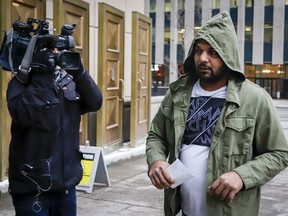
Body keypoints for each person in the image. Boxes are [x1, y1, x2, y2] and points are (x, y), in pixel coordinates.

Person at [146, 11, 288, 216]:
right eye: (198, 51)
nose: (203, 58)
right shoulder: (177, 93)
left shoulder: (255, 98)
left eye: (213, 52)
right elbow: (156, 135)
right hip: (184, 211)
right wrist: (156, 160)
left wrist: (241, 176)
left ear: (227, 55)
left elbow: (279, 153)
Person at [6, 47, 103, 216]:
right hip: (31, 189)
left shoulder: (68, 81)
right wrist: (41, 75)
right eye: (51, 52)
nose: (55, 56)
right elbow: (24, 115)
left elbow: (95, 102)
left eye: (59, 51)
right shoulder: (20, 83)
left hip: (65, 187)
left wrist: (79, 72)